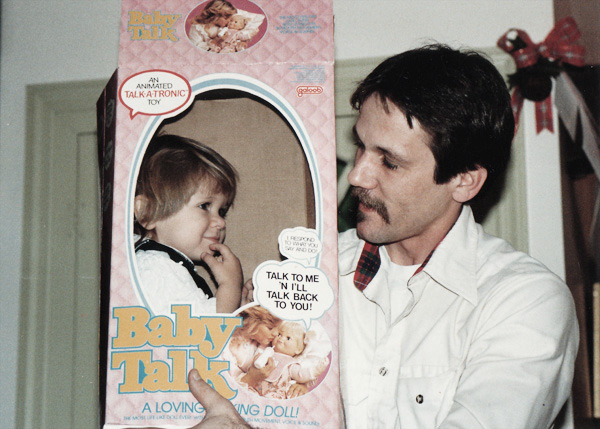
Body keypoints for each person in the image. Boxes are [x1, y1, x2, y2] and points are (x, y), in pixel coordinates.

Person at [186, 44, 579, 428]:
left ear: (464, 180)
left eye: (389, 162)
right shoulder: (308, 277)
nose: (357, 175)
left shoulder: (524, 301)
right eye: (361, 146)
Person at [134, 134, 245, 315]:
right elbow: (207, 329)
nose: (221, 222)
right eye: (204, 206)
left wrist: (242, 306)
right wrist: (231, 286)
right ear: (147, 212)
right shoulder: (156, 268)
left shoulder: (162, 264)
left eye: (221, 211)